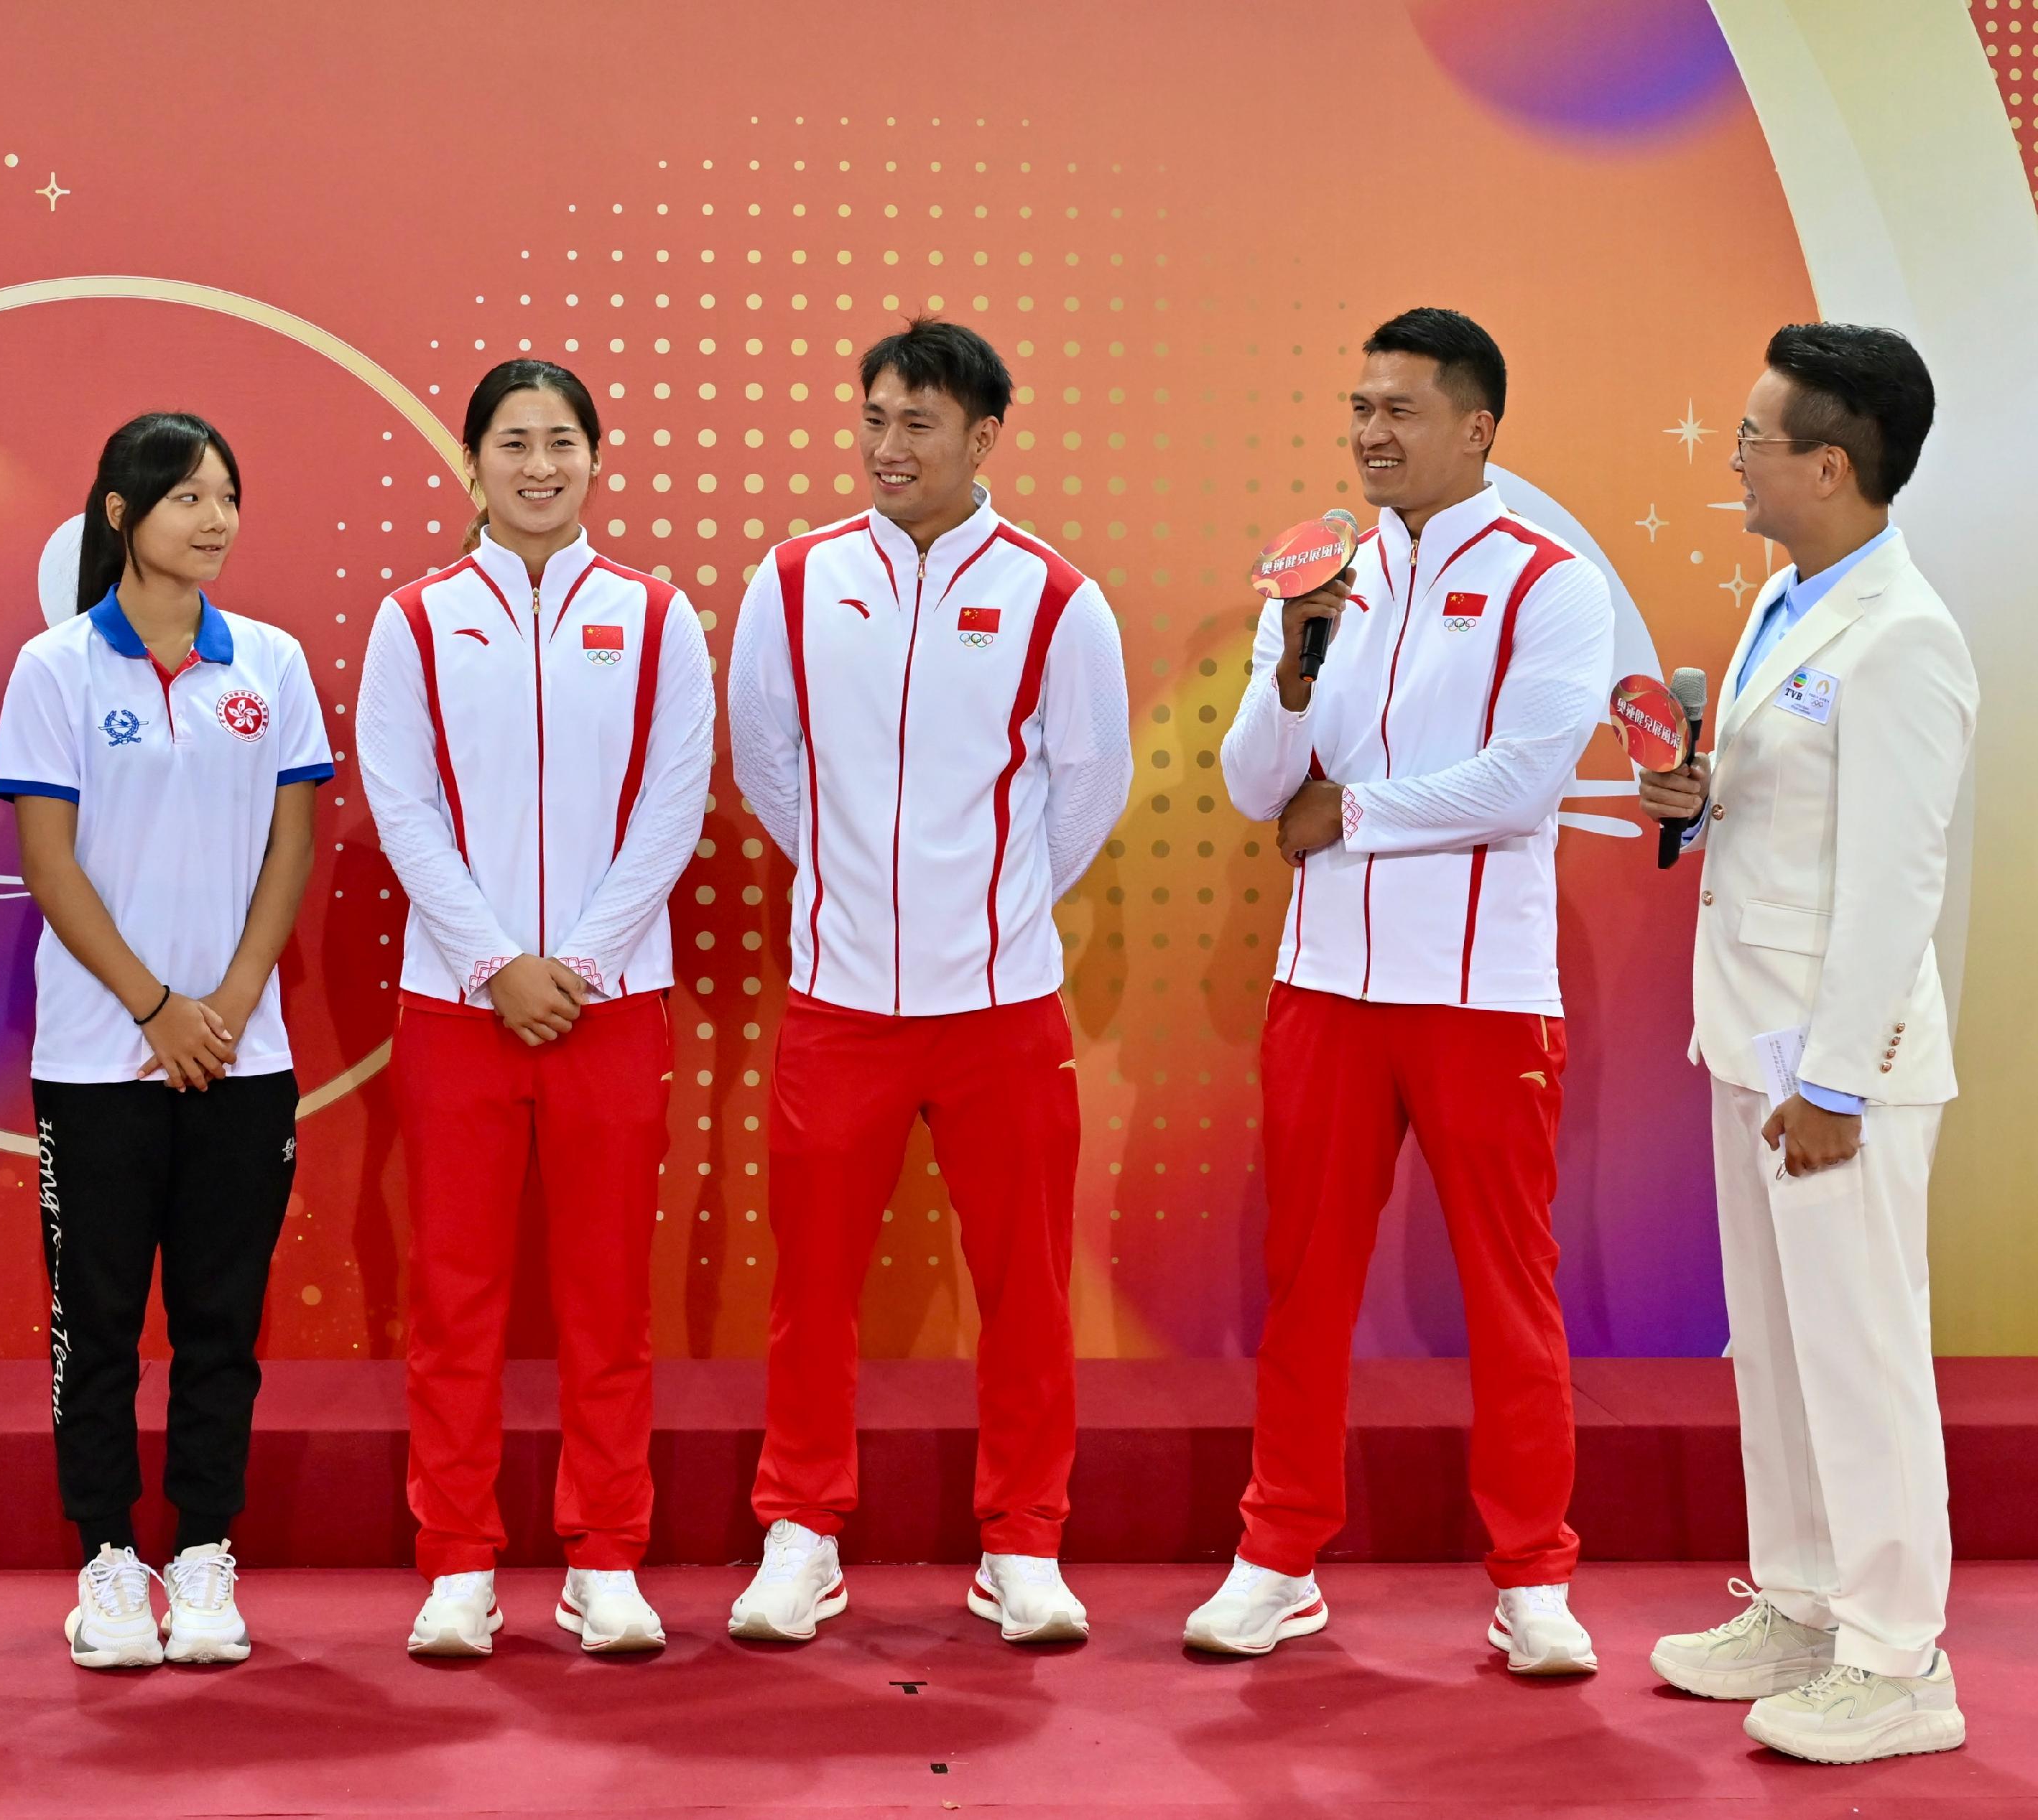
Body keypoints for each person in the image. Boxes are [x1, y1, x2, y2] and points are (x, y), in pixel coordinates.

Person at [1188, 307, 1613, 1673]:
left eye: (1403, 410)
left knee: (1510, 1287)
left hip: (1485, 991)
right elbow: (1257, 785)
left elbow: (1526, 782)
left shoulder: (1551, 579)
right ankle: (1278, 1552)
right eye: (1361, 408)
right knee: (1307, 1278)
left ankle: (1534, 1576)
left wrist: (1353, 815)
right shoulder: (1319, 576)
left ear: (1478, 426)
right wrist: (1302, 653)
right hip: (1323, 984)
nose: (1373, 433)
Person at [725, 317, 1131, 1645]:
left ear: (983, 439)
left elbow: (1087, 791)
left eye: (919, 424)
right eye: (875, 418)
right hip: (841, 1001)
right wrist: (862, 889)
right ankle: (802, 1529)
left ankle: (1023, 1540)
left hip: (1002, 1006)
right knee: (813, 1286)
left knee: (1023, 1287)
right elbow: (772, 767)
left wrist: (987, 907)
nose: (888, 446)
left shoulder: (1057, 599)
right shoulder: (792, 582)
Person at [1635, 325, 1976, 1765]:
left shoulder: (1904, 635)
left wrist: (1833, 1081)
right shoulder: (1784, 596)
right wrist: (1692, 791)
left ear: (1828, 463)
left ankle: (1898, 1658)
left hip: (1834, 1068)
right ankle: (1797, 1599)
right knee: (1769, 1349)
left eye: (1753, 437)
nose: (1732, 458)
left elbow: (1898, 877)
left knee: (1857, 1351)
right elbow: (1789, 820)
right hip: (1748, 1037)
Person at [359, 361, 715, 1657]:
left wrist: (583, 958)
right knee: (454, 1294)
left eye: (562, 442)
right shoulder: (416, 618)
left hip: (612, 1007)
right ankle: (457, 1560)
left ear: (595, 460)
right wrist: (496, 958)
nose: (539, 466)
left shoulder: (657, 614)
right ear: (473, 462)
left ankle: (604, 1554)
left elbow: (674, 801)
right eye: (513, 443)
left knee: (607, 1296)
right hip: (459, 1006)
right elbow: (402, 803)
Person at [0, 412, 329, 1672]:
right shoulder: (58, 668)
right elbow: (47, 858)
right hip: (102, 1060)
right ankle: (106, 1559)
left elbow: (291, 842)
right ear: (122, 513)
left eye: (229, 496)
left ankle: (201, 1551)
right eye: (188, 496)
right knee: (96, 1319)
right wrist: (154, 1006)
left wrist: (231, 1002)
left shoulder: (275, 665)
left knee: (219, 1322)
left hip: (243, 1056)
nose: (217, 518)